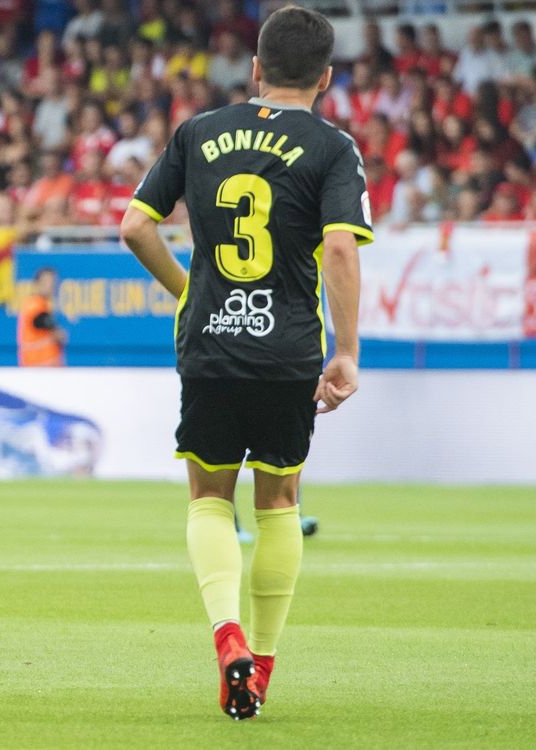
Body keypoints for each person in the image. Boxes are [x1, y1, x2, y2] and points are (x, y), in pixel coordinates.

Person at [119, 6, 369, 720]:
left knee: (208, 500)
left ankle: (223, 635)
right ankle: (259, 662)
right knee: (280, 502)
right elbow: (344, 249)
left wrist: (189, 290)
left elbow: (136, 224)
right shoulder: (332, 147)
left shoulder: (199, 132)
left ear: (255, 70)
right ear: (325, 78)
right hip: (289, 350)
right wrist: (346, 352)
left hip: (210, 346)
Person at [17, 266, 67, 366]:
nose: (50, 286)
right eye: (46, 282)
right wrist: (57, 332)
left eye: (52, 282)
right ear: (37, 283)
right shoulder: (33, 304)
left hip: (46, 368)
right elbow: (41, 320)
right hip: (38, 368)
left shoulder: (43, 304)